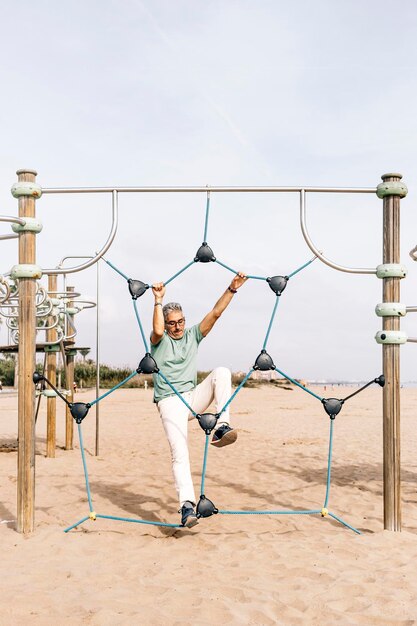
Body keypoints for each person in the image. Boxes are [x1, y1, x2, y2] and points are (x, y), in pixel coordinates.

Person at [151, 272, 247, 528]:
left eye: (181, 321)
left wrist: (232, 288)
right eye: (173, 323)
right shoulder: (159, 342)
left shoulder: (192, 335)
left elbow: (215, 313)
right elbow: (158, 329)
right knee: (180, 454)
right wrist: (158, 300)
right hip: (169, 402)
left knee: (222, 373)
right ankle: (186, 506)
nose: (178, 327)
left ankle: (221, 426)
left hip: (191, 397)